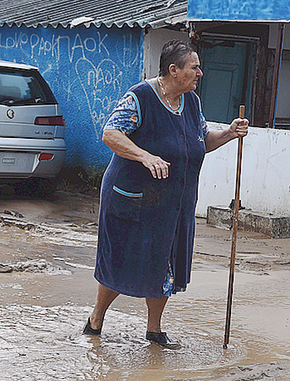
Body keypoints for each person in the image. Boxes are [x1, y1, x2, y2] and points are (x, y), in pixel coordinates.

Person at [84, 39, 249, 348]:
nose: (200, 73)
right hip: (132, 198)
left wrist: (228, 133)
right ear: (174, 71)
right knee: (120, 260)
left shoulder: (192, 103)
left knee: (165, 263)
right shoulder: (140, 98)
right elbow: (110, 133)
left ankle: (154, 330)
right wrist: (145, 156)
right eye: (195, 68)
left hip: (173, 204)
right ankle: (96, 320)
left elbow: (202, 142)